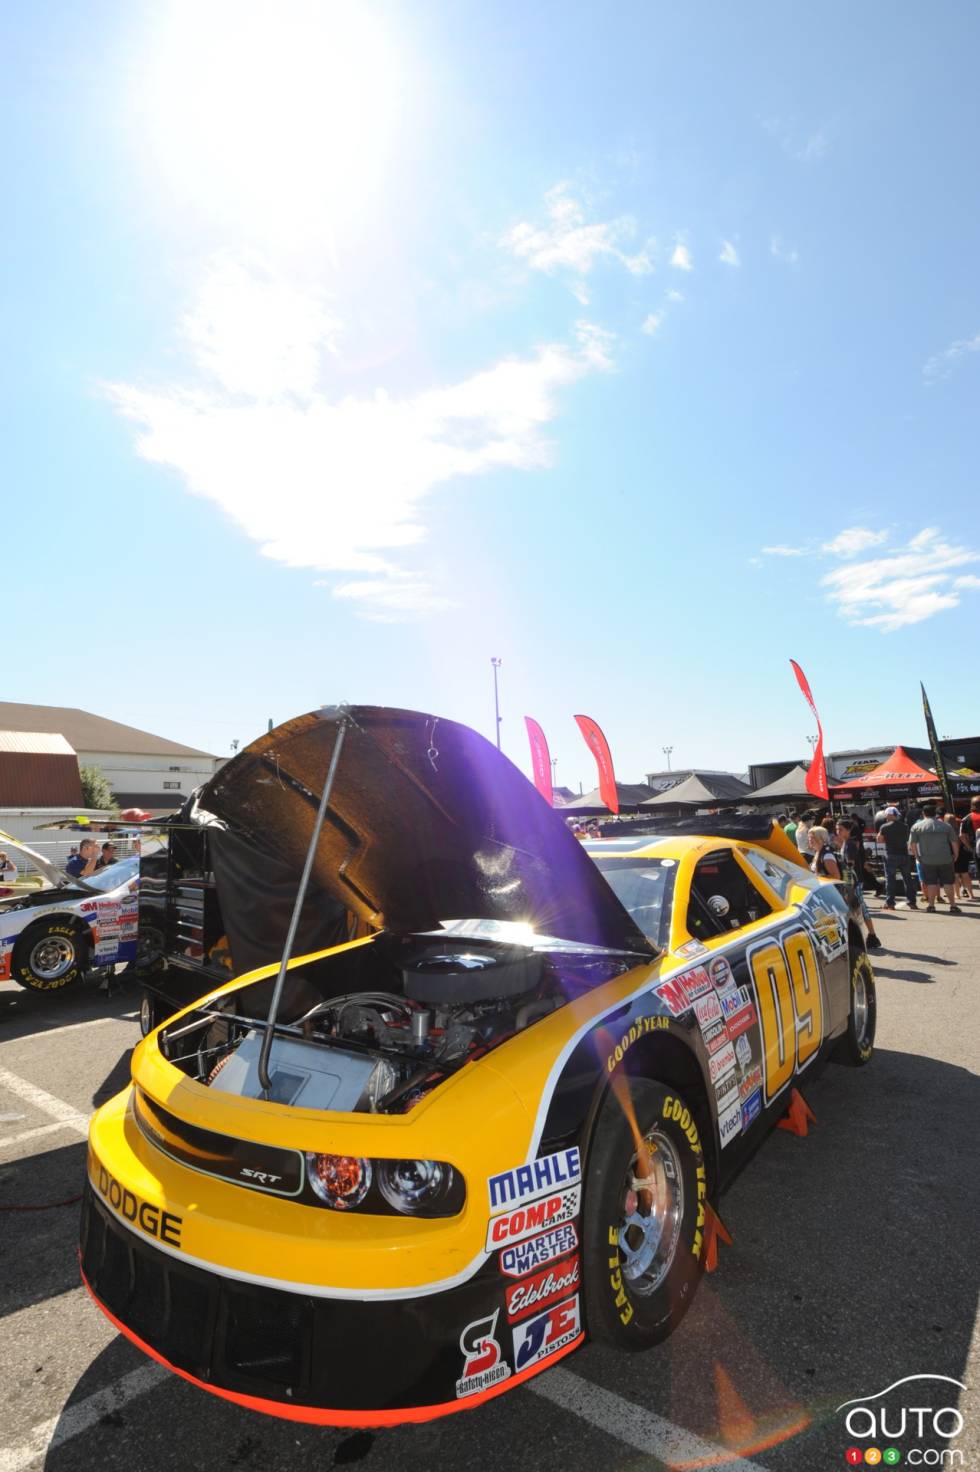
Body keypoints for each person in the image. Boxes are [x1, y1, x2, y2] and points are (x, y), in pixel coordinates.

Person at [835, 819, 884, 950]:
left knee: (860, 908)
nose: (838, 832)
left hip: (853, 883)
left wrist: (848, 883)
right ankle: (870, 936)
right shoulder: (847, 843)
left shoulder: (850, 844)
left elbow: (850, 865)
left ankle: (872, 936)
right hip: (852, 882)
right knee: (858, 909)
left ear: (848, 830)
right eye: (837, 829)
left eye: (841, 829)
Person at [909, 802, 961, 914]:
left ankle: (931, 906)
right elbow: (954, 842)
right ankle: (953, 906)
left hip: (927, 860)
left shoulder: (917, 826)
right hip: (945, 858)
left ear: (923, 813)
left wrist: (917, 856)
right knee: (948, 882)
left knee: (931, 883)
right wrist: (956, 855)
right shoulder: (946, 826)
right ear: (935, 814)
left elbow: (912, 844)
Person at [878, 807, 918, 910]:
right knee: (907, 879)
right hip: (904, 855)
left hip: (891, 854)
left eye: (886, 815)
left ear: (890, 815)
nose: (885, 817)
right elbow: (907, 838)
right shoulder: (905, 826)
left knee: (890, 879)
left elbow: (880, 840)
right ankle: (912, 902)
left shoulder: (884, 826)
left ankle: (890, 903)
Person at [945, 811, 974, 900]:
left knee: (955, 875)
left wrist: (954, 854)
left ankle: (957, 895)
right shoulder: (959, 828)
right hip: (963, 853)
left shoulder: (947, 831)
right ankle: (971, 894)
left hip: (953, 854)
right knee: (965, 874)